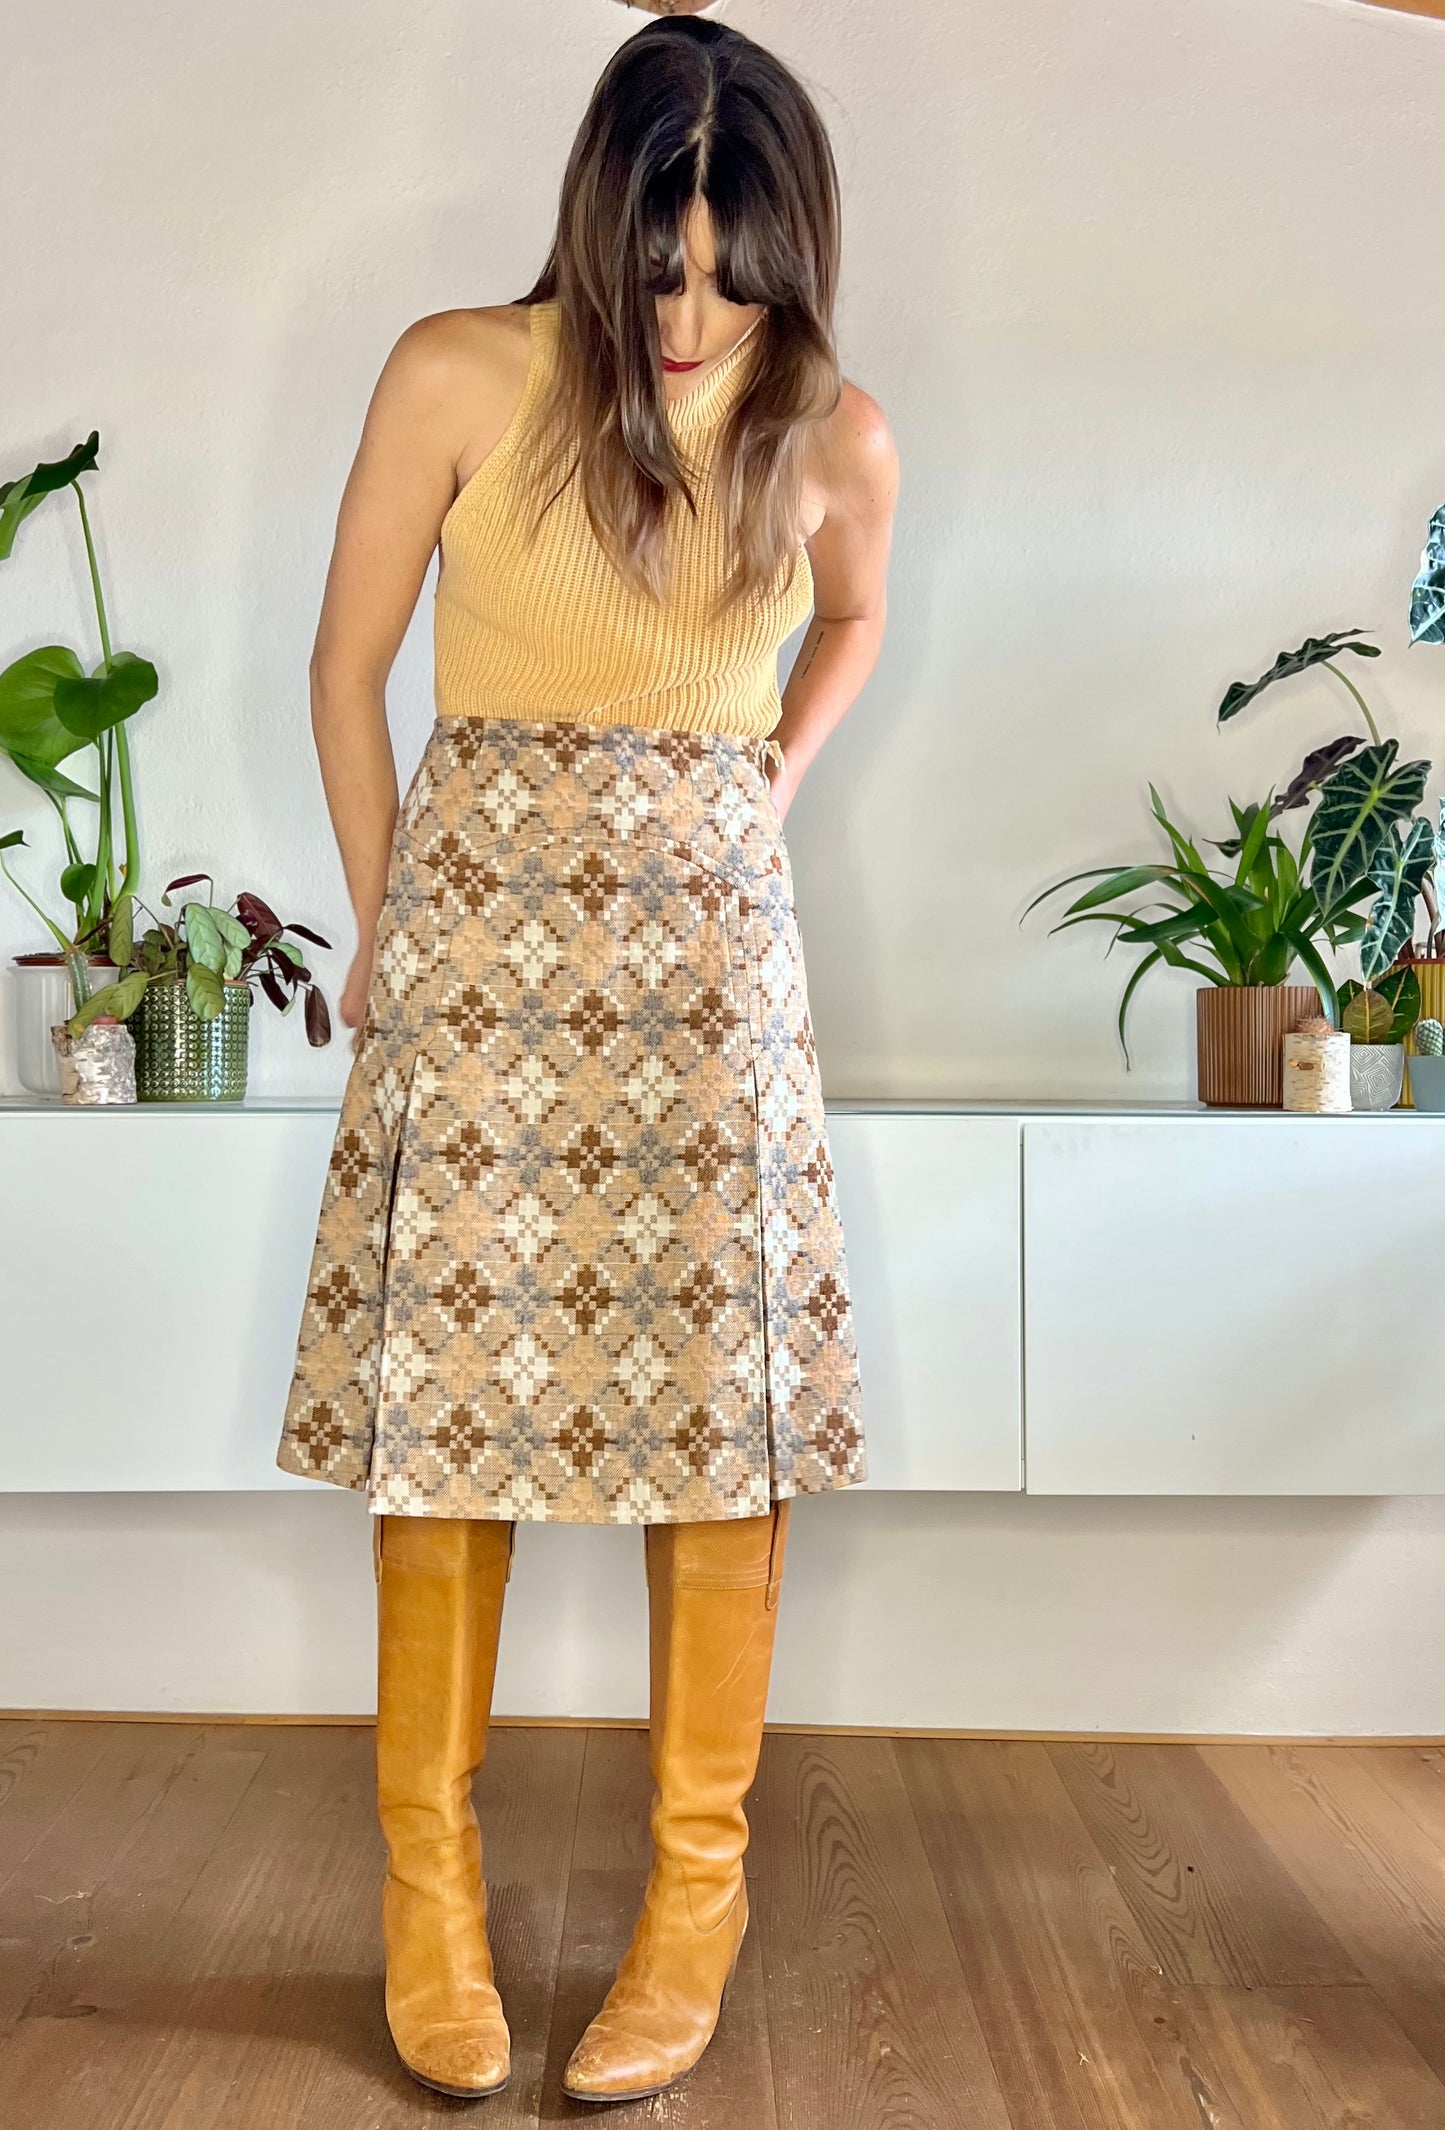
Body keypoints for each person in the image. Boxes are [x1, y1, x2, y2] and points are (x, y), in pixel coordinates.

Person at [277, 13, 898, 2106]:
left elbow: (853, 618)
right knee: (444, 1430)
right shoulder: (459, 374)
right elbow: (345, 670)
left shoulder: (834, 433)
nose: (695, 316)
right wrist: (393, 931)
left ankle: (691, 1911)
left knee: (716, 1435)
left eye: (738, 276)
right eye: (659, 268)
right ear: (595, 228)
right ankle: (428, 1906)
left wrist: (764, 784)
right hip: (478, 953)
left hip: (709, 979)